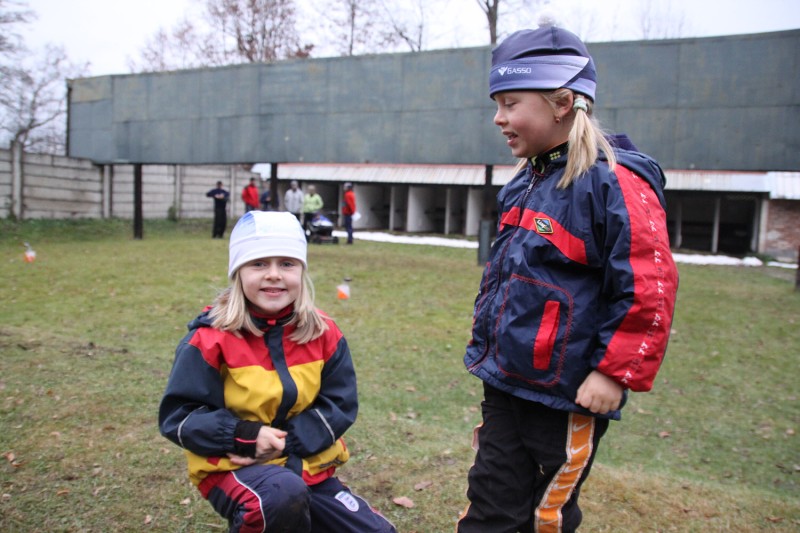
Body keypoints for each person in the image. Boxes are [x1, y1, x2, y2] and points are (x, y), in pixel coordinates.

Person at [457, 21, 679, 533]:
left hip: (566, 394)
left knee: (543, 517)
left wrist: (613, 373)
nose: (498, 118)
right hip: (505, 383)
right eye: (497, 104)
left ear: (561, 103)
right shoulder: (523, 183)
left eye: (511, 103)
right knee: (489, 505)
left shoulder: (615, 182)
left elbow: (650, 287)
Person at [159, 211, 396, 533]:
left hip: (307, 465)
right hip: (232, 466)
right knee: (280, 497)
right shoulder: (209, 339)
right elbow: (179, 417)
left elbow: (340, 405)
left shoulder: (325, 334)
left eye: (287, 263)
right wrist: (246, 436)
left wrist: (288, 442)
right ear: (238, 272)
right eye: (258, 264)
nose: (274, 275)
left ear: (302, 271)